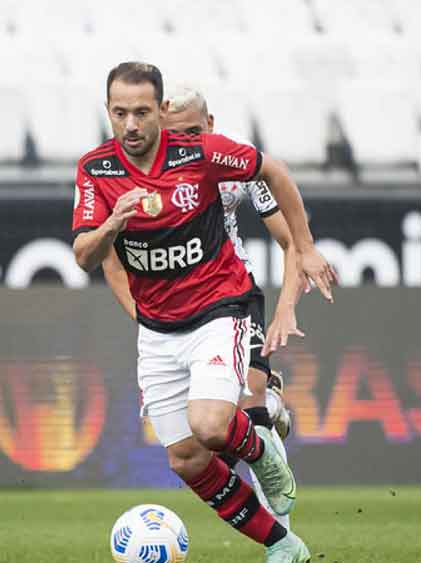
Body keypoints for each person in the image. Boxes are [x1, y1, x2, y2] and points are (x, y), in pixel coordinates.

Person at [72, 62, 333, 563]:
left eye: (142, 112)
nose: (130, 125)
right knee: (186, 458)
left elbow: (274, 172)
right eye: (120, 112)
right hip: (157, 330)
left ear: (161, 111)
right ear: (108, 111)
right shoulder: (95, 170)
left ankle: (263, 454)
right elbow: (85, 254)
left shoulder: (202, 153)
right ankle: (284, 546)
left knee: (212, 425)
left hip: (219, 307)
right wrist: (112, 224)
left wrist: (306, 247)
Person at [101, 84, 304, 532]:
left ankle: (284, 532)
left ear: (210, 125)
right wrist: (143, 317)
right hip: (173, 313)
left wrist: (286, 307)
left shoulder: (230, 163)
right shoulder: (136, 175)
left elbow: (290, 240)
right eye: (177, 135)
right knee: (204, 445)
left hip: (233, 295)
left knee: (253, 408)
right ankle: (264, 415)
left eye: (194, 131)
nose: (186, 143)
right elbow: (111, 262)